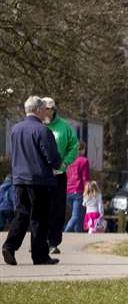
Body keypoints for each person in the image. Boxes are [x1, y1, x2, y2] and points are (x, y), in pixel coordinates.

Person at [3, 96, 62, 265]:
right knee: (39, 217)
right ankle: (39, 255)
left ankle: (9, 246)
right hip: (39, 180)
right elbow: (51, 156)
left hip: (19, 179)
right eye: (43, 108)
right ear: (37, 110)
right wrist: (57, 164)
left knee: (21, 214)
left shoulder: (15, 129)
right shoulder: (42, 131)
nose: (45, 112)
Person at [39, 98, 78, 252]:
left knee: (57, 209)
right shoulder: (37, 125)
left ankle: (53, 242)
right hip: (40, 174)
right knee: (41, 209)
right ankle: (39, 240)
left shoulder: (64, 127)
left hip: (58, 174)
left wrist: (64, 164)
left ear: (53, 109)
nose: (46, 111)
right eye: (43, 109)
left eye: (48, 109)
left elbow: (73, 146)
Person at [65, 152, 90, 233]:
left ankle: (78, 234)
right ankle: (65, 232)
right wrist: (88, 190)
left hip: (68, 191)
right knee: (76, 216)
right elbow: (85, 178)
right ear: (82, 149)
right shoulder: (84, 161)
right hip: (78, 191)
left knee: (80, 216)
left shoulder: (68, 160)